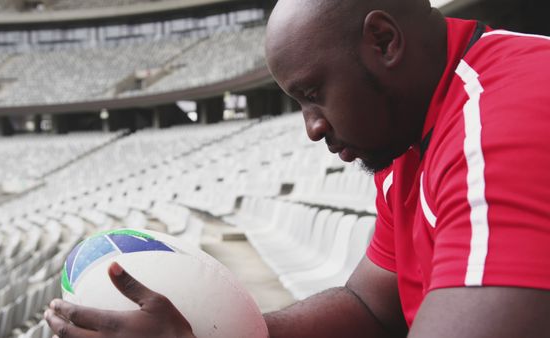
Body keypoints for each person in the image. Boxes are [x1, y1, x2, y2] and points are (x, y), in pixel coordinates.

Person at [45, 0, 550, 336]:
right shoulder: (411, 140)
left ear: (384, 42)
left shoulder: (500, 124)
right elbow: (370, 306)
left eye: (313, 95)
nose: (311, 128)